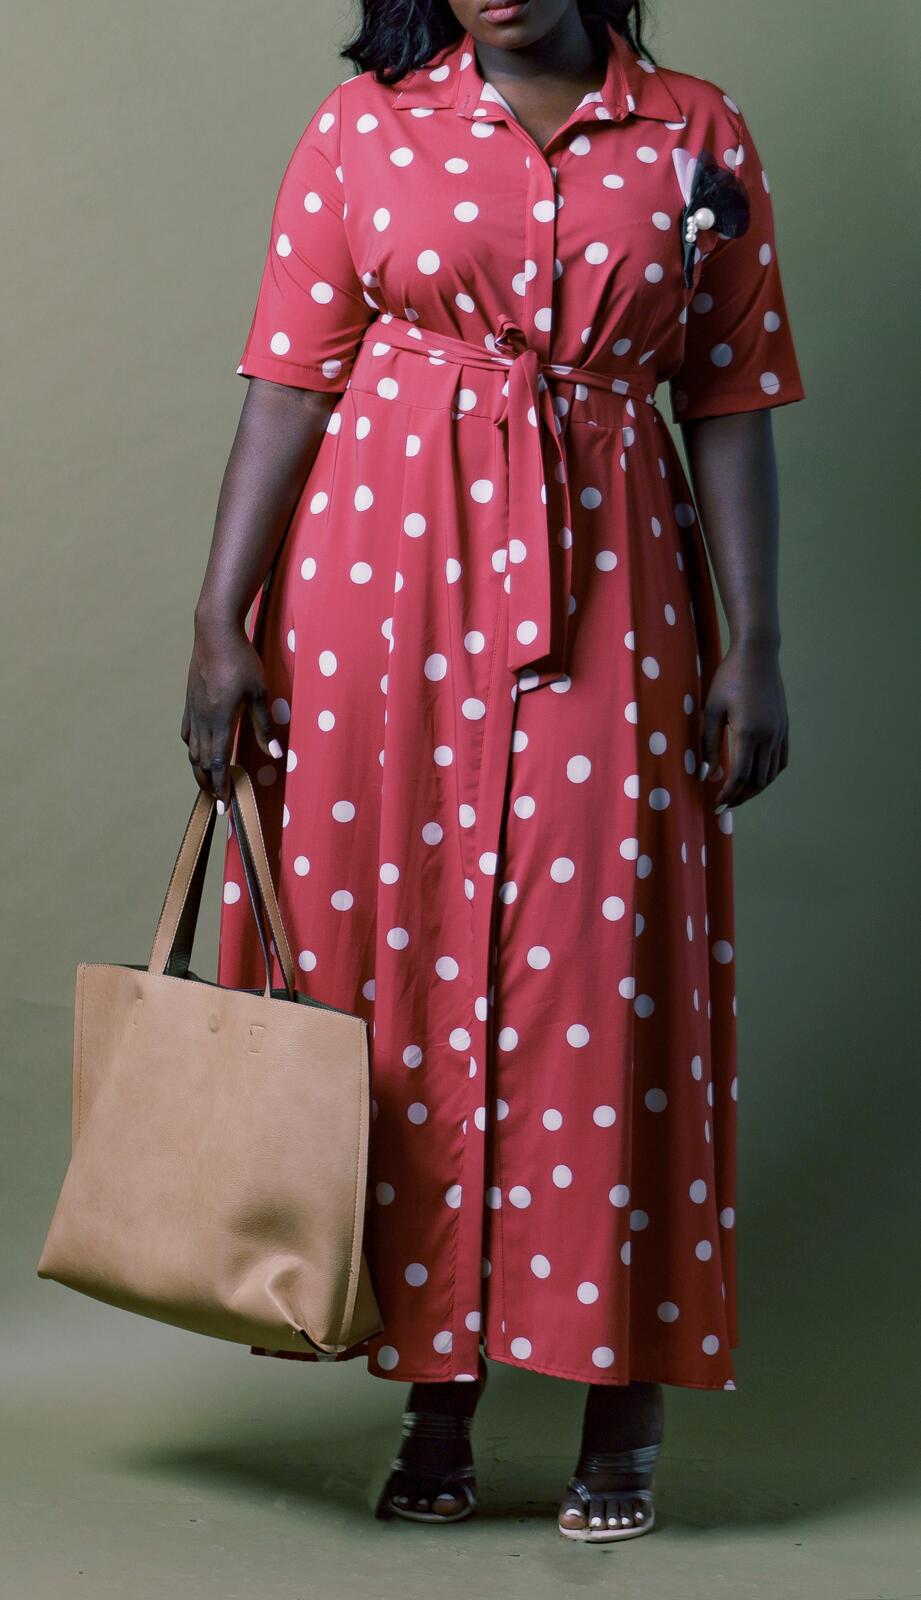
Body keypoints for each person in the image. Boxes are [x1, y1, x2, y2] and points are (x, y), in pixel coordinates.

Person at [182, 0, 804, 1543]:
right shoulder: (366, 125)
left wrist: (755, 642)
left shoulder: (694, 131)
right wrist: (217, 621)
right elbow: (288, 381)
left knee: (603, 968)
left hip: (613, 577)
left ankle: (621, 1406)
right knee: (393, 972)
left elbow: (727, 398)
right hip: (375, 584)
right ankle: (435, 1399)